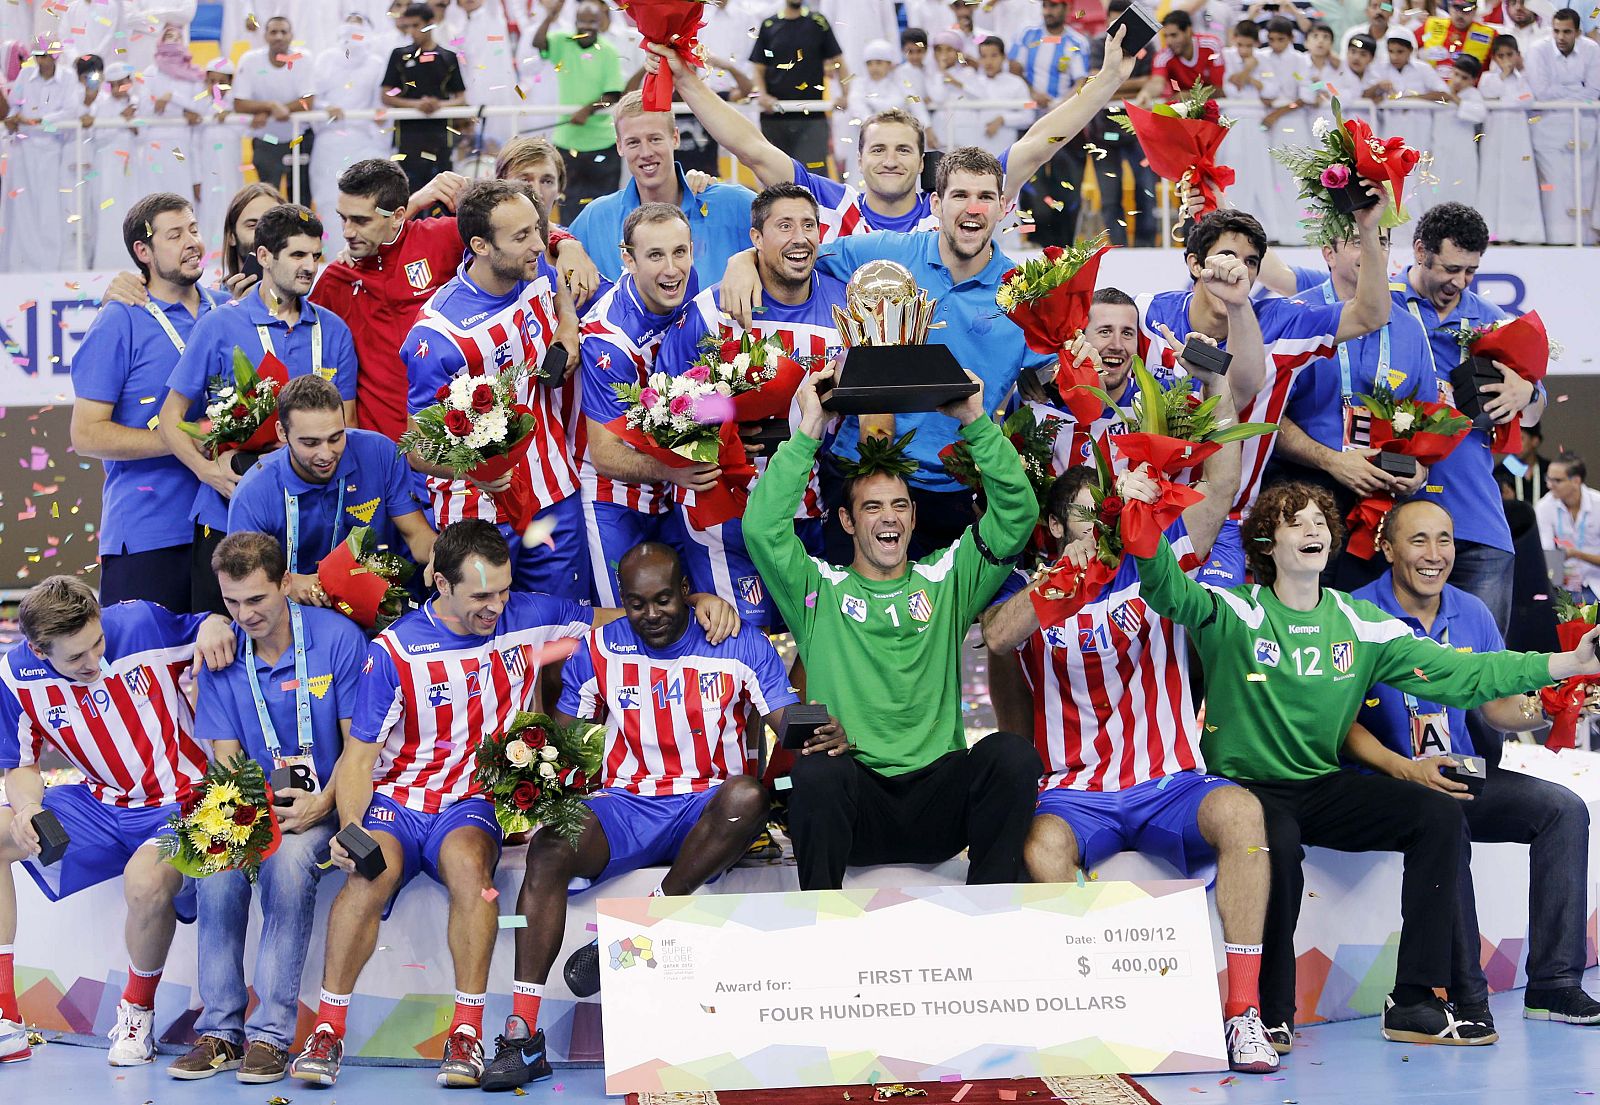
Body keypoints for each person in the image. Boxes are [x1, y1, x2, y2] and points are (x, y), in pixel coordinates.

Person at [1130, 480, 1600, 1044]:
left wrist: (1568, 662)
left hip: (1321, 784)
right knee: (1276, 842)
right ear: (1266, 543)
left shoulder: (1361, 623)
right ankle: (1270, 1013)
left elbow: (1464, 673)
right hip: (1247, 790)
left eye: (1320, 522)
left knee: (1437, 815)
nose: (1312, 530)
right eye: (1295, 522)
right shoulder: (1234, 610)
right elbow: (1166, 588)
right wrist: (1141, 515)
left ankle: (1414, 998)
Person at [984, 366, 1282, 1073]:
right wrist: (1068, 575)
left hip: (1170, 781)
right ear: (1055, 526)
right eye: (1085, 515)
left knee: (1243, 815)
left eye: (1107, 512)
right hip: (1075, 792)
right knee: (1040, 849)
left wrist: (1216, 383)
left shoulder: (1159, 565)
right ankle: (1099, 1003)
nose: (1100, 525)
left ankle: (1243, 1013)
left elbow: (1220, 487)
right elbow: (997, 636)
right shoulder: (1033, 589)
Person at [287, 521, 595, 1090]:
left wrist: (701, 605)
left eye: (503, 590)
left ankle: (467, 1033)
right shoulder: (394, 651)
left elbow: (613, 623)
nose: (496, 606)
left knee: (471, 872)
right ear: (441, 583)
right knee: (365, 876)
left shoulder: (528, 615)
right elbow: (358, 759)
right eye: (481, 595)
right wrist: (352, 830)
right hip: (399, 801)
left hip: (471, 803)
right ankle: (327, 1030)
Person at [483, 543, 794, 1091]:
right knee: (551, 847)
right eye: (636, 603)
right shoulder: (600, 648)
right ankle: (523, 1034)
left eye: (664, 600)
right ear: (623, 601)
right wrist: (530, 786)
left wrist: (824, 731)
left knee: (749, 796)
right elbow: (568, 741)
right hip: (627, 806)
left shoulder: (740, 642)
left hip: (708, 807)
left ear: (686, 592)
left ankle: (632, 931)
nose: (651, 614)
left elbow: (785, 720)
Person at [745, 366, 1043, 891]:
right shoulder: (817, 590)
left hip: (938, 807)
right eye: (872, 506)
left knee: (1011, 756)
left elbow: (1016, 517)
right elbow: (763, 529)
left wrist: (975, 419)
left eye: (900, 505)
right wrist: (809, 427)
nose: (889, 517)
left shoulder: (948, 580)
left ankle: (991, 908)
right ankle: (820, 917)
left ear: (913, 517)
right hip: (858, 809)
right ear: (847, 521)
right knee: (817, 771)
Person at [721, 149, 1057, 556]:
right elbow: (797, 253)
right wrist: (744, 260)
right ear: (935, 204)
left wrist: (1073, 362)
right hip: (858, 475)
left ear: (1004, 207)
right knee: (844, 597)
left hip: (953, 493)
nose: (973, 208)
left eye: (985, 196)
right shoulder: (884, 251)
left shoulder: (1026, 296)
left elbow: (1059, 378)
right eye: (959, 195)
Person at [1348, 498, 1600, 1034]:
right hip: (1389, 780)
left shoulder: (1472, 611)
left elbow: (1497, 709)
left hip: (1461, 773)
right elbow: (1340, 723)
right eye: (1418, 540)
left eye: (1444, 539)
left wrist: (1553, 704)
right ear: (1387, 548)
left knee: (1563, 810)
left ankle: (1554, 985)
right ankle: (1468, 998)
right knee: (1444, 819)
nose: (1435, 554)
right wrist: (1403, 768)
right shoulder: (1354, 613)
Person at [0, 577, 234, 1066]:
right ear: (39, 651)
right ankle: (5, 1017)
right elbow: (20, 765)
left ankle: (137, 1011)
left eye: (98, 643)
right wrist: (26, 809)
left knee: (145, 883)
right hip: (99, 806)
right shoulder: (15, 675)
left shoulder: (141, 623)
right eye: (76, 658)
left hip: (185, 800)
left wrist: (215, 622)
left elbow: (205, 627)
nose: (94, 661)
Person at [168, 533, 366, 1085]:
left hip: (332, 799)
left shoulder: (338, 639)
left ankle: (271, 1036)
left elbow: (359, 749)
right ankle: (220, 1032)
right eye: (231, 602)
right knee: (214, 865)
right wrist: (249, 820)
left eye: (256, 599)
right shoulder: (222, 656)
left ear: (284, 583)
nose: (244, 615)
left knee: (288, 863)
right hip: (257, 805)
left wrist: (320, 804)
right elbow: (228, 763)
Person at [1141, 203, 1393, 586]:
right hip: (1146, 508)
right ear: (1194, 264)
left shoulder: (1282, 322)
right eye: (1228, 256)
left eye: (1251, 262)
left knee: (1210, 620)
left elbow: (1370, 314)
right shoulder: (1147, 314)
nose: (1239, 269)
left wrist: (1368, 228)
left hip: (1227, 523)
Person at [159, 204, 360, 616]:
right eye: (298, 255)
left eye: (315, 255)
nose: (310, 267)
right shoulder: (219, 325)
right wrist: (207, 471)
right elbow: (170, 417)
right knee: (224, 639)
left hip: (310, 517)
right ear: (264, 256)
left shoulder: (334, 330)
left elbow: (347, 425)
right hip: (227, 512)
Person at [657, 183, 844, 616]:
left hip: (808, 511)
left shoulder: (846, 307)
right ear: (756, 238)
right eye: (785, 226)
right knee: (736, 639)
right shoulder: (711, 311)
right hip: (722, 519)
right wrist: (721, 431)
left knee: (812, 636)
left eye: (809, 225)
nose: (800, 237)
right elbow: (662, 407)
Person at [400, 179, 587, 600]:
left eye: (537, 229)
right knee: (484, 626)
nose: (538, 244)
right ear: (480, 246)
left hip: (554, 490)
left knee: (563, 625)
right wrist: (477, 472)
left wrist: (568, 324)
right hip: (479, 511)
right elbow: (417, 449)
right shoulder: (439, 335)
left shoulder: (531, 268)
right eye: (521, 236)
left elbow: (558, 284)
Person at [1392, 201, 1547, 632]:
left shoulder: (1491, 321)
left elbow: (1533, 415)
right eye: (1451, 268)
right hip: (1395, 519)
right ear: (1420, 251)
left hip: (1477, 522)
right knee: (1400, 666)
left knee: (1483, 666)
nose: (1459, 282)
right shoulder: (1381, 305)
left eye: (1470, 271)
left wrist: (1526, 392)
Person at [72, 193, 217, 612]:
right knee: (147, 654)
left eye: (193, 229)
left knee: (224, 651)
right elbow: (86, 434)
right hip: (148, 532)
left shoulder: (225, 310)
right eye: (174, 235)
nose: (191, 242)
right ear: (143, 252)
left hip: (225, 526)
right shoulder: (120, 319)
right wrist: (179, 439)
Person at [1270, 233, 1434, 588]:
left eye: (1382, 241)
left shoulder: (1409, 329)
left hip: (1377, 502)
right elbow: (1266, 418)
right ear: (1328, 253)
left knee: (1366, 615)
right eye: (1358, 240)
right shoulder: (1295, 315)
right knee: (1304, 611)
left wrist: (1419, 472)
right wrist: (1332, 461)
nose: (1373, 250)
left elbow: (1427, 423)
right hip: (1302, 494)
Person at [578, 204, 700, 607]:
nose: (672, 269)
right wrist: (674, 470)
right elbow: (605, 454)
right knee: (624, 617)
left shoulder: (688, 284)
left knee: (684, 609)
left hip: (672, 487)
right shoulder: (609, 339)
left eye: (680, 252)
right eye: (655, 256)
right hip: (614, 495)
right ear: (628, 260)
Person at [227, 375, 435, 604]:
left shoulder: (379, 452)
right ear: (282, 432)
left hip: (378, 600)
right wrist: (288, 582)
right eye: (310, 443)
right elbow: (243, 580)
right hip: (298, 609)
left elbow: (416, 536)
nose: (326, 454)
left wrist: (442, 554)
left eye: (336, 438)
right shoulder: (253, 492)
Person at [568, 90, 757, 286]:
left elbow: (778, 241)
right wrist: (566, 246)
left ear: (675, 138)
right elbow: (552, 262)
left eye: (655, 139)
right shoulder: (597, 218)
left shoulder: (732, 205)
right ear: (619, 146)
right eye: (633, 142)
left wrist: (748, 258)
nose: (646, 152)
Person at [532, 0, 624, 216]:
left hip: (603, 143)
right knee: (568, 206)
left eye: (592, 22)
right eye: (583, 21)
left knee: (606, 208)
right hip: (567, 143)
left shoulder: (609, 51)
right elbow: (538, 42)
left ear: (601, 23)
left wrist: (586, 110)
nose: (587, 27)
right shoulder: (562, 42)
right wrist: (551, 16)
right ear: (575, 22)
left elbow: (613, 95)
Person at [1523, 9, 1600, 243]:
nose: (1561, 37)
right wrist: (1577, 88)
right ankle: (1555, 240)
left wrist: (1563, 92)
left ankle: (1585, 241)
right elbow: (1541, 92)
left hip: (1585, 125)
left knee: (1585, 184)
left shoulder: (1592, 49)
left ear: (1578, 32)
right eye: (1556, 31)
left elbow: (1594, 92)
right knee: (1553, 187)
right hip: (1548, 127)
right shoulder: (1537, 50)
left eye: (1567, 32)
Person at [310, 12, 392, 232]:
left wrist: (380, 117)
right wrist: (326, 108)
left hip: (364, 140)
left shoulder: (376, 63)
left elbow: (381, 104)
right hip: (329, 141)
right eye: (349, 24)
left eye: (358, 25)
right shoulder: (325, 59)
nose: (352, 32)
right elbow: (312, 97)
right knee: (329, 199)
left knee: (367, 198)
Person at [0, 40, 77, 272]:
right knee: (23, 207)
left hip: (53, 150)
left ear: (54, 56)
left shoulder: (68, 77)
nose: (40, 60)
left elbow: (71, 111)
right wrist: (14, 118)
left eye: (44, 55)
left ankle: (50, 265)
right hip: (23, 149)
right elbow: (14, 106)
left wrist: (38, 122)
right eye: (37, 55)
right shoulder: (25, 76)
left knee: (49, 208)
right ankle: (23, 264)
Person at [749, 0, 847, 174]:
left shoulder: (818, 22)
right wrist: (762, 95)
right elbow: (758, 68)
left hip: (812, 118)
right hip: (774, 119)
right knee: (777, 179)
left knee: (813, 177)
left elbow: (839, 61)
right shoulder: (769, 25)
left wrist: (845, 95)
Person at [382, 2, 467, 192]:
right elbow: (386, 94)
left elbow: (461, 97)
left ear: (430, 24)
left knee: (444, 193)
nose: (412, 31)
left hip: (441, 136)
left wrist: (439, 105)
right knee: (409, 193)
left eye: (416, 25)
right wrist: (415, 105)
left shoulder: (448, 57)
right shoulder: (399, 55)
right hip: (408, 138)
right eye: (408, 26)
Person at [232, 16, 316, 199]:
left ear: (291, 35)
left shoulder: (303, 59)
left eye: (283, 32)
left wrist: (276, 110)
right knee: (268, 199)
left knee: (301, 200)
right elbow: (239, 103)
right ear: (265, 36)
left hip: (299, 137)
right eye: (274, 32)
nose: (279, 36)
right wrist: (271, 106)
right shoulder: (250, 60)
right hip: (267, 139)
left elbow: (309, 101)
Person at [1538, 451, 1600, 599]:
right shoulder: (1544, 506)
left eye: (1557, 480)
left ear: (1576, 481)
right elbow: (1546, 551)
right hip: (1563, 587)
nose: (1549, 485)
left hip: (1596, 583)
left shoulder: (1598, 504)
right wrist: (1556, 576)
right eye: (1548, 479)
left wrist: (1576, 554)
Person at [1147, 8, 1226, 97]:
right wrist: (1146, 94)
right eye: (1166, 36)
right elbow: (1156, 82)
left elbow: (1220, 90)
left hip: (1215, 104)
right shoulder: (1162, 56)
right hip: (1181, 104)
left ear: (1188, 31)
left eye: (1174, 35)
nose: (1168, 42)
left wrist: (1189, 95)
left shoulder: (1212, 46)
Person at [1417, 0, 1497, 73]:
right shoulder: (1432, 25)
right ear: (1449, 7)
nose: (1460, 15)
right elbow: (1412, 44)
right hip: (1431, 82)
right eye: (1457, 8)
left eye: (1466, 10)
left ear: (1475, 11)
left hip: (1469, 83)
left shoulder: (1489, 35)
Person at [1495, 420, 1550, 502]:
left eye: (1520, 438)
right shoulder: (1501, 471)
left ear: (1535, 441)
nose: (1515, 444)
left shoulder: (1548, 470)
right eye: (1512, 440)